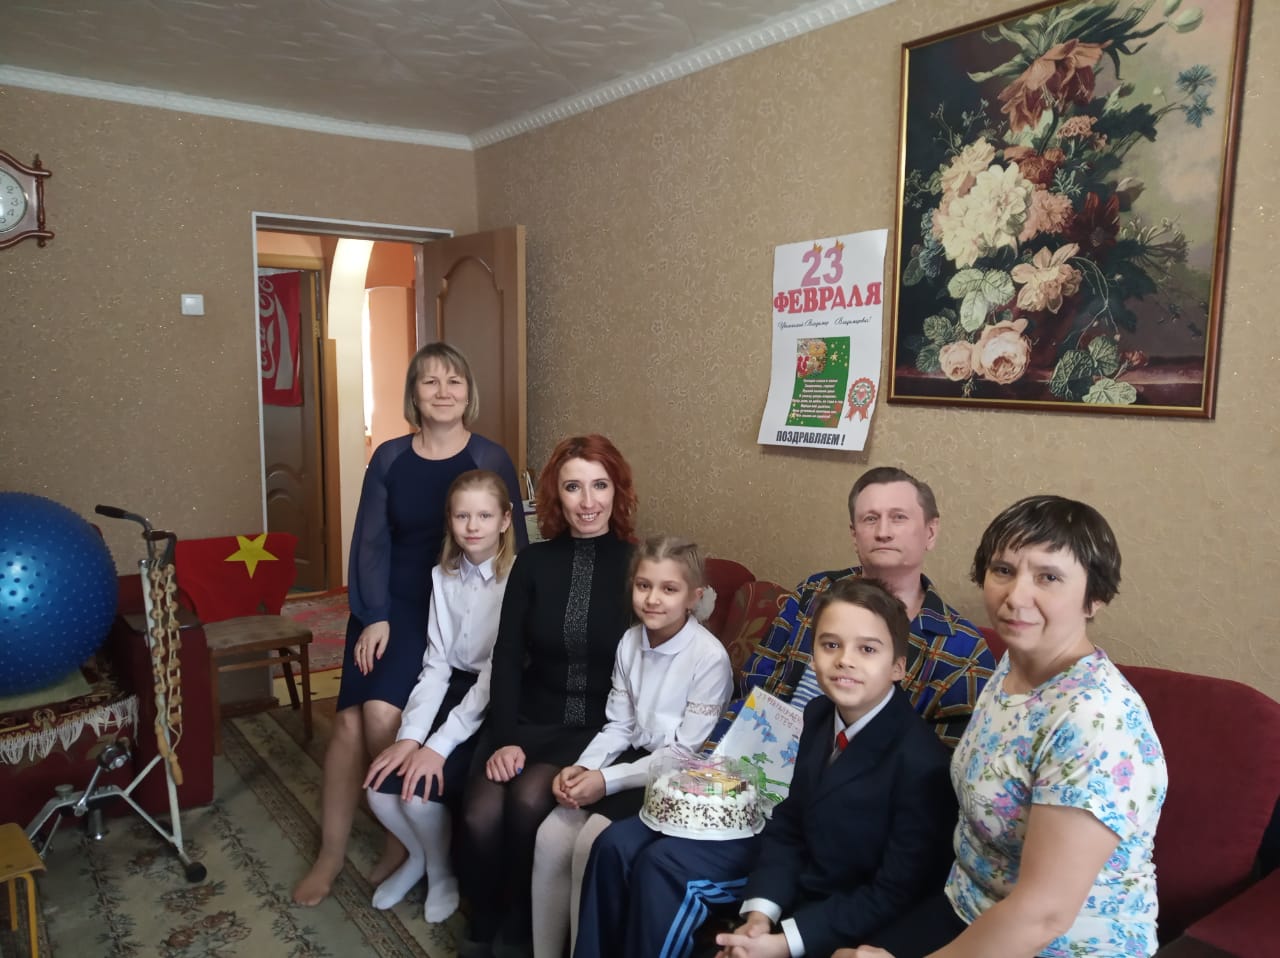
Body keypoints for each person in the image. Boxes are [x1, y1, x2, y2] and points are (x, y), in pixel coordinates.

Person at [839, 495, 1168, 958]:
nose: (1016, 597)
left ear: (1094, 597)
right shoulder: (1012, 663)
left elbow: (1043, 915)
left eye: (1048, 577)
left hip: (1058, 945)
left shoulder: (1096, 721)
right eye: (1004, 570)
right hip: (968, 905)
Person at [576, 578, 958, 958]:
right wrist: (760, 914)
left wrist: (783, 942)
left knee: (664, 869)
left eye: (868, 649)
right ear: (813, 655)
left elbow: (895, 893)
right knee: (615, 844)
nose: (845, 659)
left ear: (898, 667)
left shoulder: (922, 764)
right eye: (830, 645)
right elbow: (789, 825)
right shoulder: (819, 714)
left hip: (841, 918)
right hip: (794, 885)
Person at [292, 342, 527, 907]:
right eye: (430, 382)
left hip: (456, 596)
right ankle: (331, 852)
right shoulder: (391, 457)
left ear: (469, 393)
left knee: (379, 714)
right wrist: (373, 616)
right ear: (413, 395)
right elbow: (370, 541)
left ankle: (401, 835)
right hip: (390, 602)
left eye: (454, 381)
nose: (443, 392)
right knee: (348, 722)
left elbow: (514, 542)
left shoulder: (489, 457)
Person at [459, 434, 637, 956]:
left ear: (617, 491)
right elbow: (507, 656)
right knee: (479, 814)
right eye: (573, 487)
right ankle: (484, 919)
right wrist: (505, 738)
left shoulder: (637, 566)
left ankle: (520, 926)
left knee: (528, 800)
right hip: (526, 717)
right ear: (556, 495)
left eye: (600, 485)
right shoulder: (533, 562)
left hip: (593, 728)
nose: (588, 502)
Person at [530, 535, 733, 958]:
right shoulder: (629, 642)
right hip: (630, 761)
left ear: (693, 598)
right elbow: (619, 724)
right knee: (551, 835)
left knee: (590, 843)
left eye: (669, 589)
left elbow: (684, 754)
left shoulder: (709, 659)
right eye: (644, 586)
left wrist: (606, 781)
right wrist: (585, 768)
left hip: (677, 778)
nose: (653, 599)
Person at [707, 467, 994, 751]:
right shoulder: (813, 592)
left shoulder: (964, 652)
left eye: (898, 517)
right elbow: (752, 691)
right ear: (855, 535)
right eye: (871, 519)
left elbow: (943, 767)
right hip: (755, 761)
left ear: (930, 532)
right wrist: (708, 758)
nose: (883, 532)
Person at [361, 470, 517, 922]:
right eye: (462, 516)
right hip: (453, 688)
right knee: (378, 791)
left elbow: (495, 674)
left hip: (496, 698)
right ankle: (421, 858)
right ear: (449, 520)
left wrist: (437, 746)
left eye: (484, 515)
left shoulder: (517, 579)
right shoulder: (443, 576)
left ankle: (443, 872)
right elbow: (437, 665)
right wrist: (410, 737)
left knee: (417, 794)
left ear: (505, 520)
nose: (473, 526)